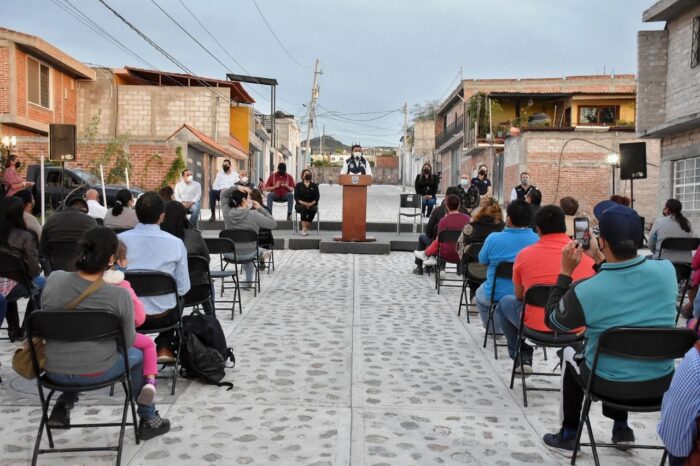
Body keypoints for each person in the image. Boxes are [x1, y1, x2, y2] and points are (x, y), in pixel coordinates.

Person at [541, 203, 677, 454]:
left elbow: (554, 321)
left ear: (601, 240)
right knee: (629, 341)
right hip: (661, 384)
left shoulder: (586, 290)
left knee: (570, 351)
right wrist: (600, 258)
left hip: (606, 384)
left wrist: (565, 272)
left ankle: (569, 434)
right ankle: (622, 429)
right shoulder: (667, 272)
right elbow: (625, 280)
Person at [41, 227, 170, 440]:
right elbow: (128, 342)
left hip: (53, 370)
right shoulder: (118, 295)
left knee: (76, 350)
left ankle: (63, 405)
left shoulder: (53, 280)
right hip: (98, 369)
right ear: (112, 259)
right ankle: (148, 417)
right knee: (136, 357)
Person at [494, 206, 595, 373]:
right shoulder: (586, 256)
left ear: (538, 229)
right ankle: (572, 355)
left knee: (505, 302)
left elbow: (519, 295)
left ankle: (522, 356)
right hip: (575, 328)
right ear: (564, 226)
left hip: (534, 325)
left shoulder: (524, 255)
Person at [119, 192, 190, 364]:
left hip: (128, 314)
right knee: (180, 296)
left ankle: (132, 344)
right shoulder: (175, 243)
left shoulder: (119, 240)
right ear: (162, 216)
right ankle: (164, 345)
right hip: (163, 315)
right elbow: (183, 287)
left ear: (136, 213)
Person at [102, 241, 157, 405]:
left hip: (82, 347)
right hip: (119, 338)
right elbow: (140, 319)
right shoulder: (123, 288)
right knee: (147, 345)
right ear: (115, 260)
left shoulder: (78, 285)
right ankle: (150, 383)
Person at [475, 200, 539, 331]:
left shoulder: (493, 238)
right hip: (527, 295)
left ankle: (494, 330)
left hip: (495, 293)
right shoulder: (536, 240)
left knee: (479, 295)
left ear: (508, 219)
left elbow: (482, 260)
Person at [0, 196, 44, 340]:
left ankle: (13, 328)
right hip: (16, 283)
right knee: (42, 283)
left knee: (9, 287)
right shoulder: (25, 236)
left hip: (4, 286)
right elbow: (34, 268)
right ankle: (26, 328)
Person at [160, 200, 213, 315]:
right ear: (184, 216)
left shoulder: (159, 239)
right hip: (197, 290)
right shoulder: (194, 236)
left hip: (167, 292)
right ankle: (210, 315)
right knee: (205, 277)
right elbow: (206, 260)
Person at [221, 187, 276, 286]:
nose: (250, 200)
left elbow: (223, 195)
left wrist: (237, 187)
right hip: (249, 253)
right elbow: (273, 223)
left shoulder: (226, 213)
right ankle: (261, 253)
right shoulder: (253, 214)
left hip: (230, 253)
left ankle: (260, 253)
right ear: (243, 200)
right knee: (248, 247)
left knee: (244, 245)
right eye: (249, 198)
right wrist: (260, 208)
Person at [657, 341, 700, 466]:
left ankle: (621, 426)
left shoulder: (696, 360)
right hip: (657, 381)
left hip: (611, 383)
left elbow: (676, 435)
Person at [412, 186, 464, 275]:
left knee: (422, 237)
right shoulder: (466, 214)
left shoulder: (438, 211)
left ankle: (419, 267)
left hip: (442, 249)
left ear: (446, 197)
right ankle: (459, 270)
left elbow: (429, 231)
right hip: (460, 250)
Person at [457, 196, 505, 289]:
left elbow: (459, 246)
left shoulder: (470, 227)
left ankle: (473, 296)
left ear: (479, 210)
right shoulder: (502, 229)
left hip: (472, 270)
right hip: (496, 271)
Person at [40, 197, 97, 267]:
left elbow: (43, 252)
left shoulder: (50, 220)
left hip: (55, 268)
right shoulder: (90, 221)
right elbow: (96, 248)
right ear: (83, 209)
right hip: (82, 268)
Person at [294, 168, 320, 236]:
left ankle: (305, 228)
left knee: (314, 209)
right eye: (306, 174)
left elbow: (317, 197)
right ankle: (304, 229)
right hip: (300, 204)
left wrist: (311, 203)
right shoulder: (298, 185)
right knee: (303, 208)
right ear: (302, 176)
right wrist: (303, 203)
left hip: (312, 204)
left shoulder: (314, 186)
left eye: (309, 174)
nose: (308, 175)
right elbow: (296, 197)